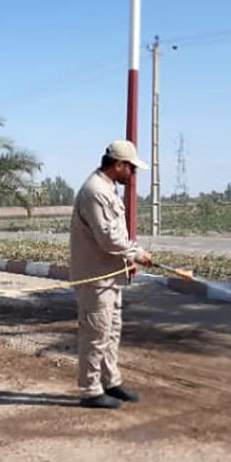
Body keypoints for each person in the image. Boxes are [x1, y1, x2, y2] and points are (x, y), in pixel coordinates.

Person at [69, 140, 153, 409]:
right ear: (118, 165)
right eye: (132, 168)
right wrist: (135, 253)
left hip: (110, 277)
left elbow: (113, 236)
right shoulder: (95, 192)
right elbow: (108, 239)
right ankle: (91, 390)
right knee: (95, 334)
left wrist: (129, 259)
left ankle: (110, 381)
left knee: (110, 331)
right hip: (95, 280)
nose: (133, 174)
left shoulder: (107, 189)